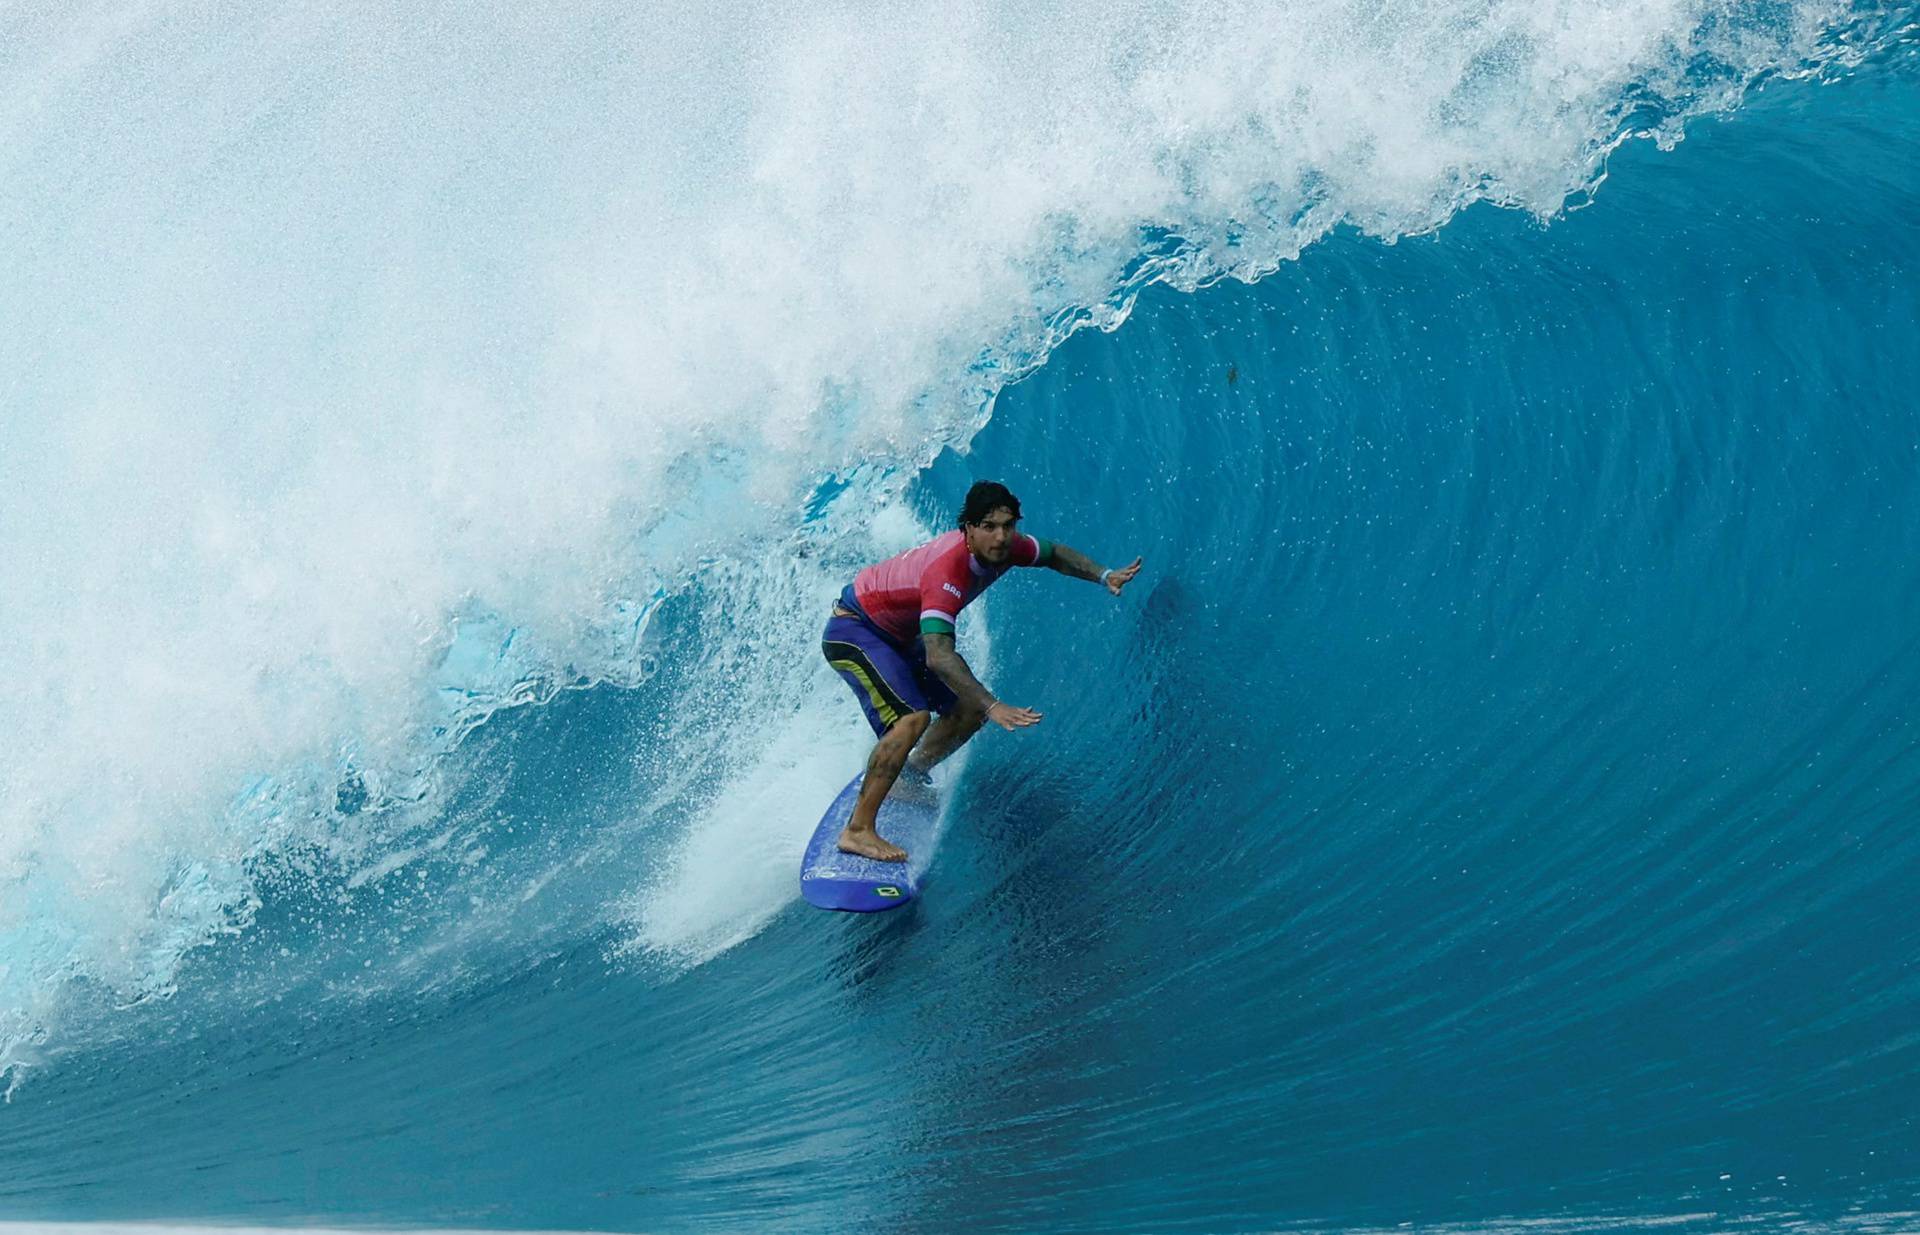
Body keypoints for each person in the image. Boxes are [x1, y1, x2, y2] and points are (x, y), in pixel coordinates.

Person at [821, 481, 1143, 862]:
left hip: (900, 636)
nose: (1001, 536)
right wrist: (994, 705)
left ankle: (906, 776)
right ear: (968, 529)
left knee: (967, 709)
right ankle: (857, 831)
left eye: (1008, 525)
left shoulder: (1009, 548)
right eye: (989, 526)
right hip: (855, 630)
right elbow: (939, 657)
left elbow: (1055, 555)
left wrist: (1104, 575)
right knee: (912, 720)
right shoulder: (947, 572)